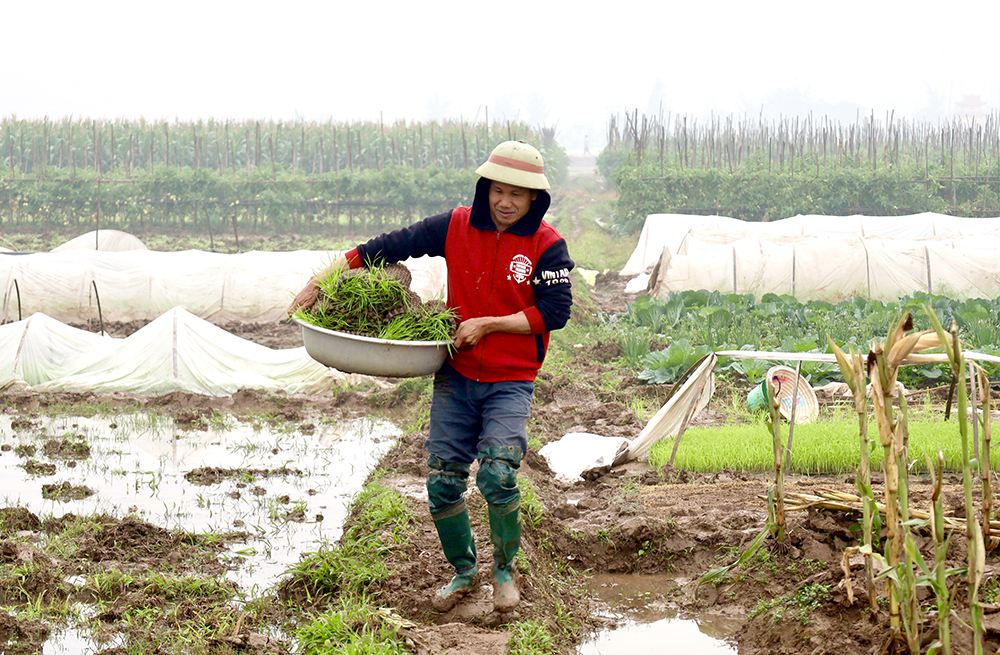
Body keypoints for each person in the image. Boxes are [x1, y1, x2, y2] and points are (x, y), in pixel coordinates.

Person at [287, 140, 574, 614]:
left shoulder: (547, 246)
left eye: (517, 195)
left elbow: (555, 311)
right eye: (498, 191)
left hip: (511, 379)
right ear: (486, 190)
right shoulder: (457, 226)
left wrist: (489, 325)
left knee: (499, 473)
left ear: (534, 200)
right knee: (443, 482)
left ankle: (505, 571)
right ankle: (464, 573)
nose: (505, 202)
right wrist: (327, 276)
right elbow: (392, 244)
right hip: (456, 375)